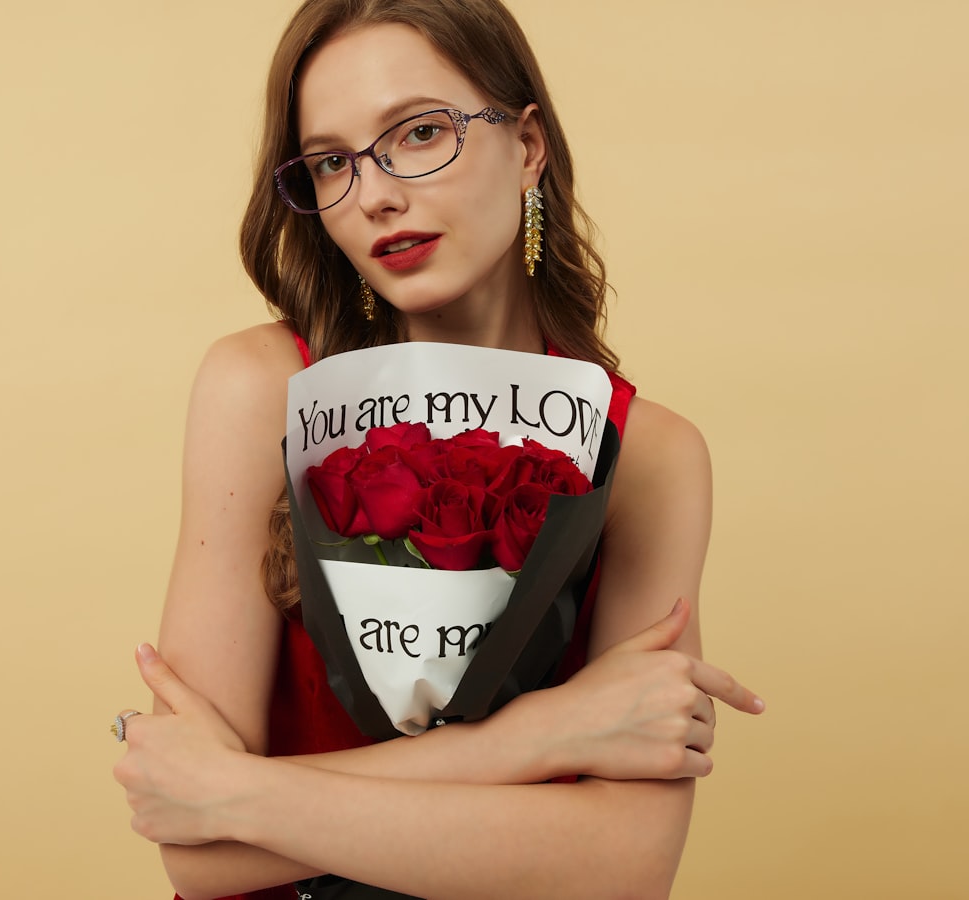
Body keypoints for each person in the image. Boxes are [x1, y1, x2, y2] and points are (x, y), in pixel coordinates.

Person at [112, 2, 765, 897]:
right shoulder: (262, 388)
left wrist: (240, 796)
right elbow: (195, 851)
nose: (375, 192)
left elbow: (626, 864)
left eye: (419, 134)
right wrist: (541, 736)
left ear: (528, 146)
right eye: (332, 162)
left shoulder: (649, 455)